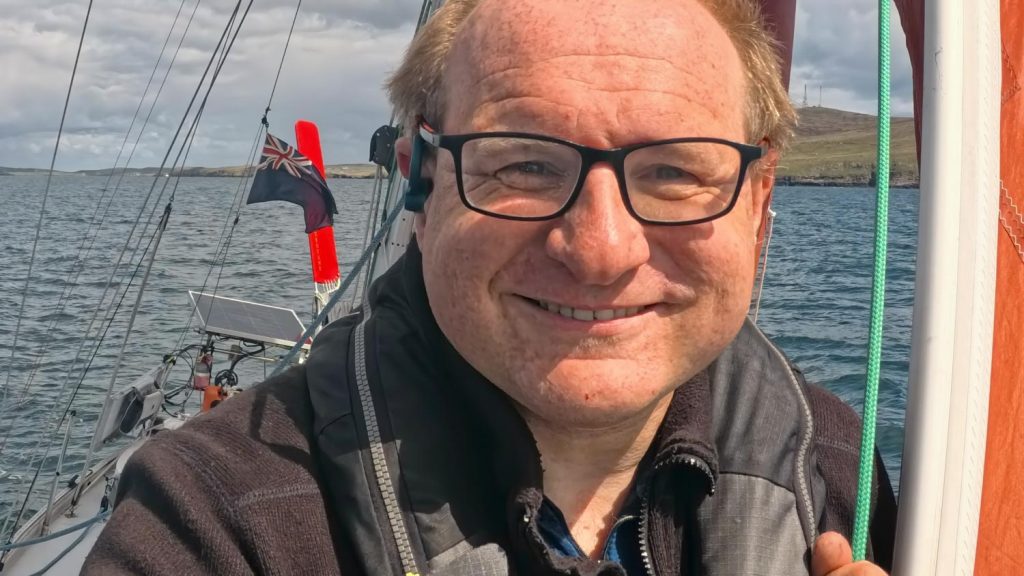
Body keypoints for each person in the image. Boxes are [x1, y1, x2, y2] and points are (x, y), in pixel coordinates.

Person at [84, 0, 897, 574]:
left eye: (675, 172)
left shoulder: (833, 475)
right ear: (421, 188)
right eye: (525, 164)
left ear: (757, 205)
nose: (600, 250)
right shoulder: (217, 519)